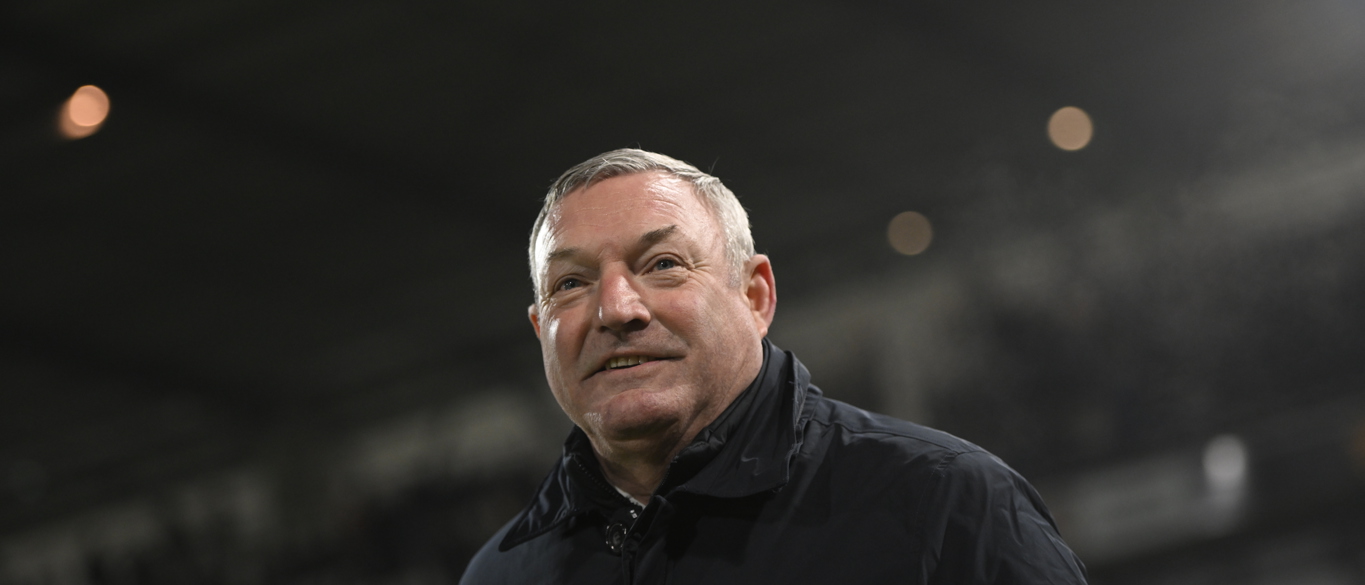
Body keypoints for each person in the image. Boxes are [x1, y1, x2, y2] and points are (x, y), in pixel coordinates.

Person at [460, 149, 1087, 584]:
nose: (616, 308)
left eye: (663, 265)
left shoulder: (943, 503)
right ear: (542, 332)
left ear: (755, 296)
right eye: (570, 283)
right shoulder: (500, 574)